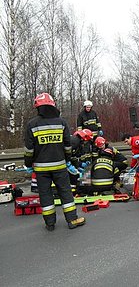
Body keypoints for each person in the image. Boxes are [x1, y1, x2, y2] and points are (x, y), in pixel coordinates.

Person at [24, 92, 85, 231]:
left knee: (45, 195)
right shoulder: (61, 122)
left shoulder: (32, 124)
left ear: (38, 107)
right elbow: (68, 146)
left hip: (41, 169)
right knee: (65, 192)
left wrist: (28, 164)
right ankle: (72, 220)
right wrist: (67, 160)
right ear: (53, 105)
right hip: (59, 166)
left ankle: (50, 224)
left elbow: (29, 149)